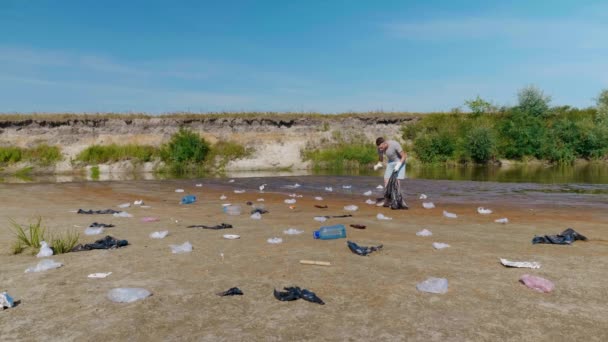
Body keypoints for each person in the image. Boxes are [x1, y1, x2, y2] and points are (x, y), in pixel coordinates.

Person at [374, 137, 408, 208]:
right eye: (379, 148)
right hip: (391, 163)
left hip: (400, 162)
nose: (380, 149)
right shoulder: (380, 148)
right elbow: (381, 159)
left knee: (396, 181)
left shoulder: (395, 144)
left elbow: (404, 156)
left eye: (381, 147)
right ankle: (388, 199)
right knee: (386, 180)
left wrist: (398, 165)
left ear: (385, 143)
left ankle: (397, 199)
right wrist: (378, 164)